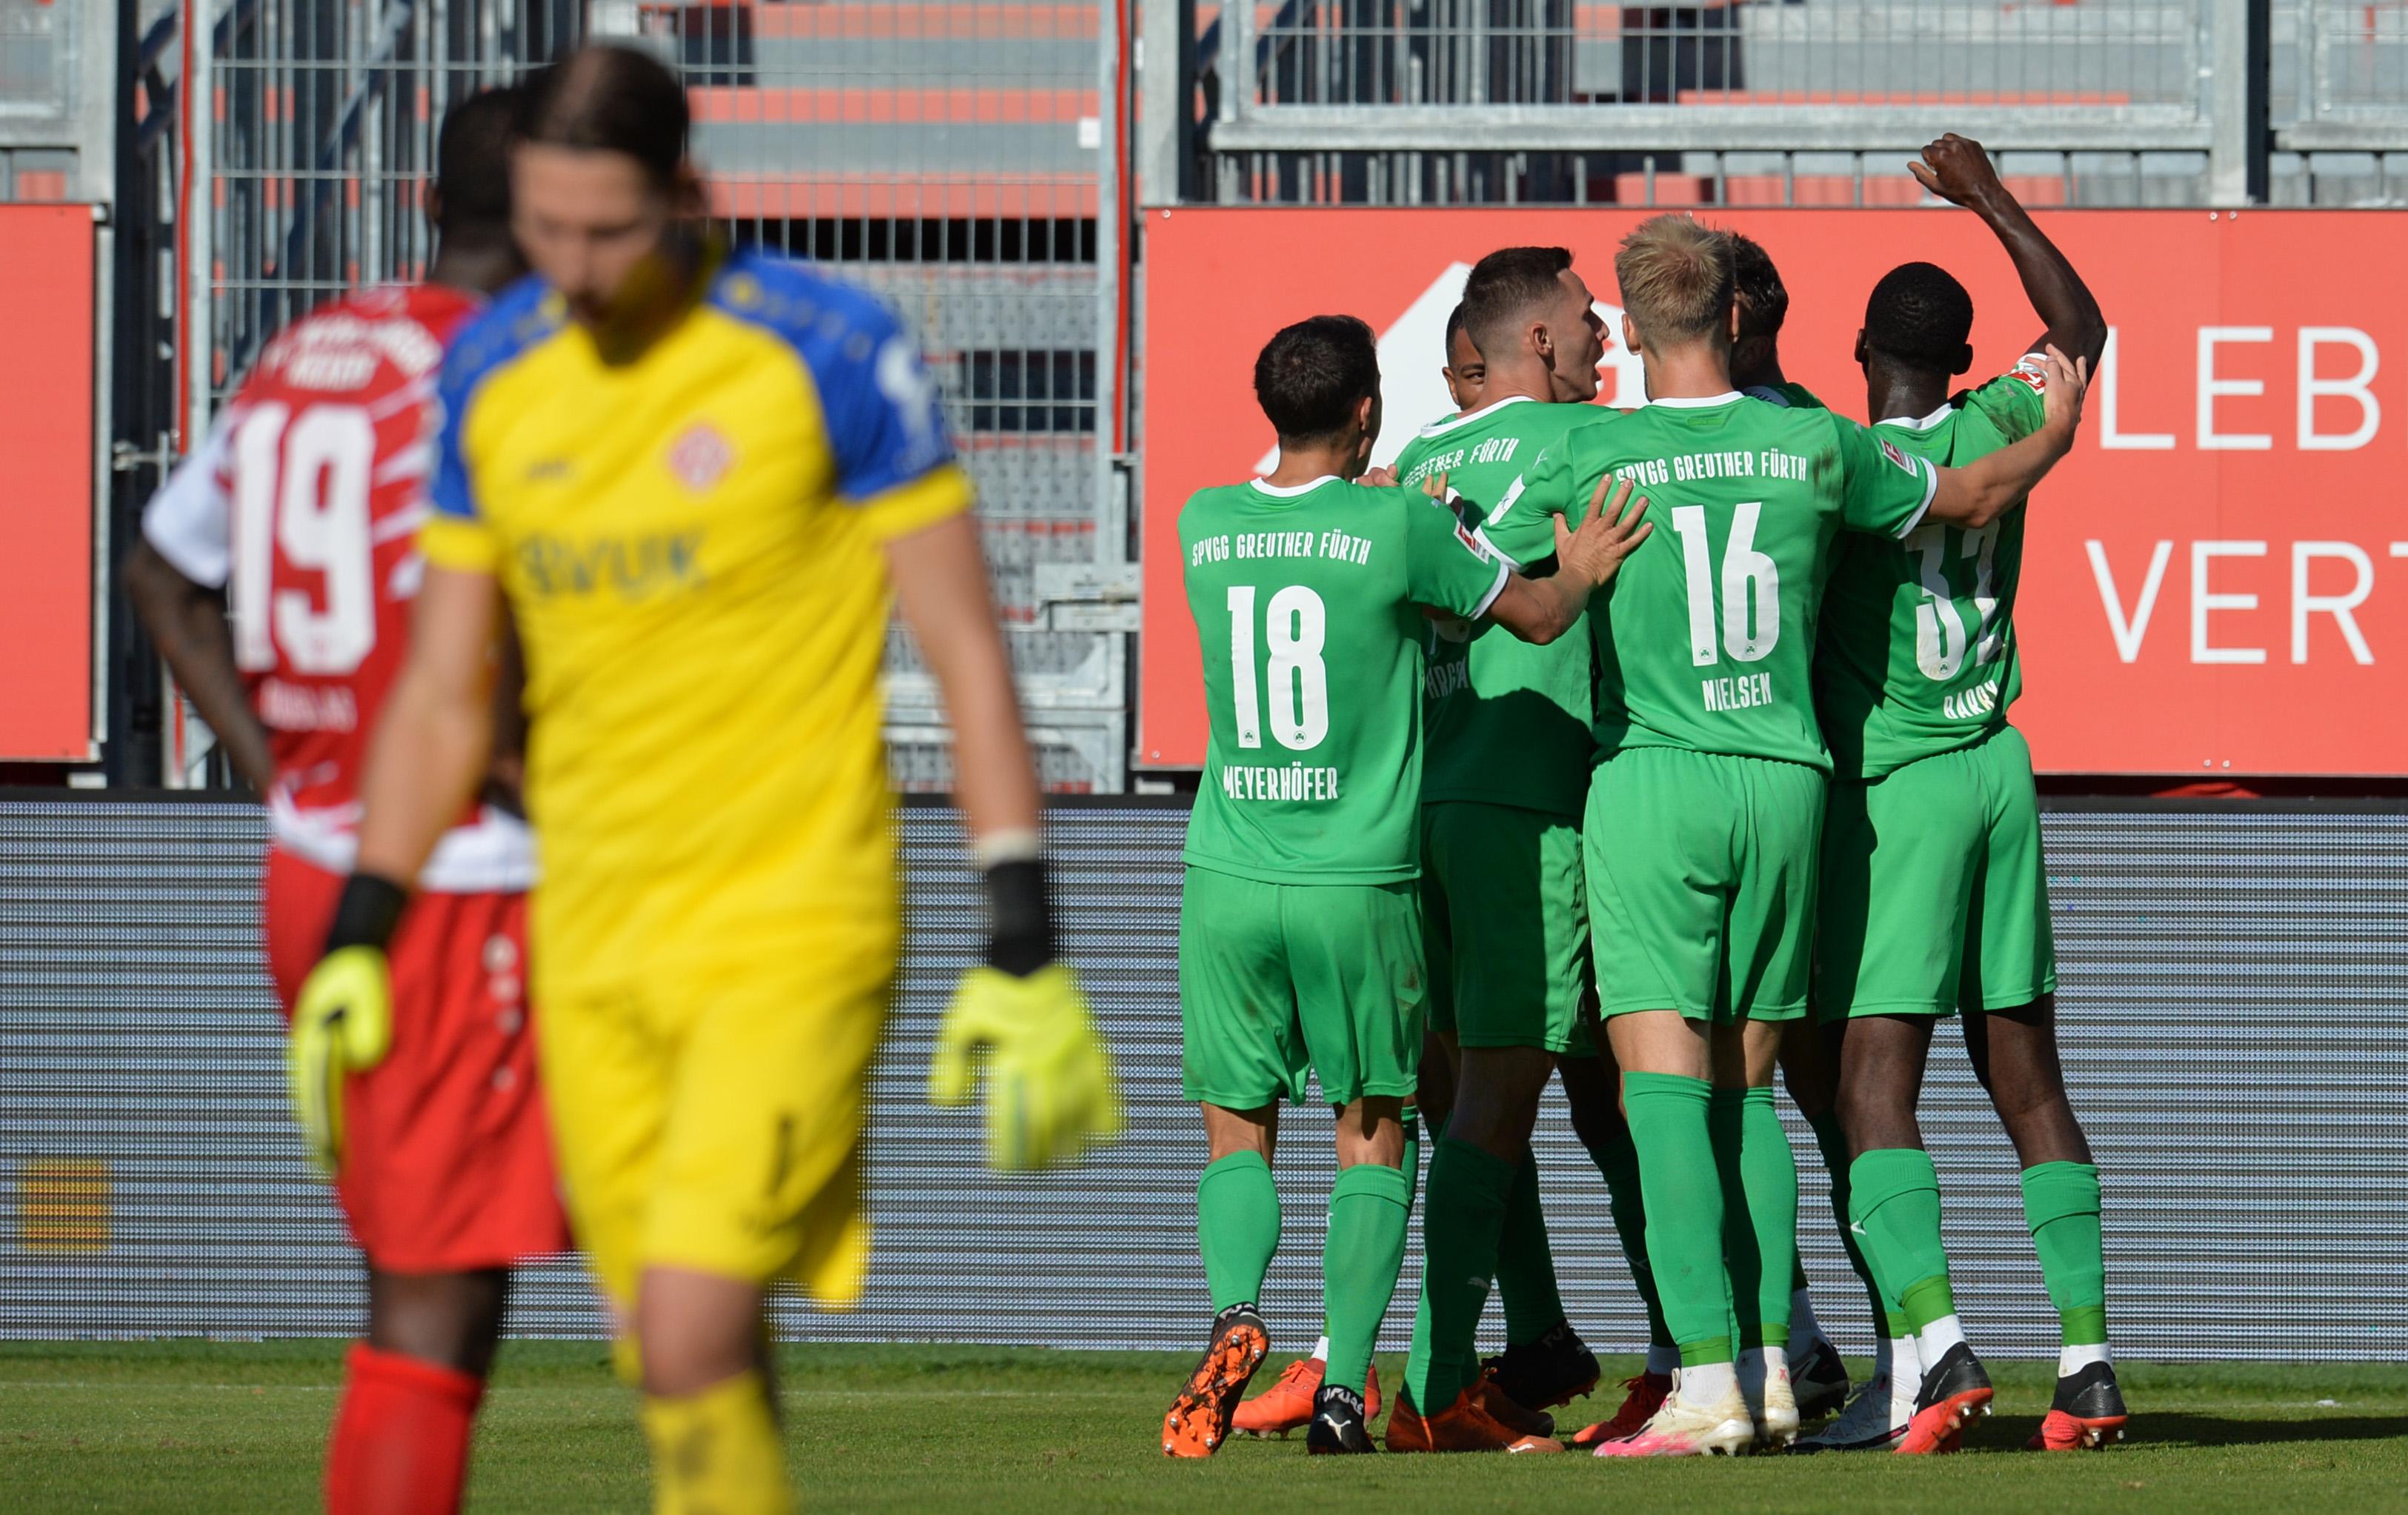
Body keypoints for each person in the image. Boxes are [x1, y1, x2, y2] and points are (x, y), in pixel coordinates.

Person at [285, 45, 1120, 1515]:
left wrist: (1023, 930)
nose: (574, 267)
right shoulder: (491, 369)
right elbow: (443, 691)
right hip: (591, 937)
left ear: (686, 194)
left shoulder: (826, 345)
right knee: (678, 1353)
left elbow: (965, 651)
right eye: (545, 228)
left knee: (683, 1326)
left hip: (791, 923)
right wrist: (366, 921)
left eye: (607, 230)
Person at [1494, 213, 2086, 1457]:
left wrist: (1565, 575)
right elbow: (1978, 490)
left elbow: (1471, 576)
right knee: (1752, 1087)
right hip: (1791, 784)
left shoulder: (1587, 447)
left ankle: (1707, 1376)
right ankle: (1772, 1368)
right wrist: (2061, 432)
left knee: (1662, 1090)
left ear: (1634, 324)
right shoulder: (1816, 442)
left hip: (1659, 778)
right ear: (1733, 314)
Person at [123, 89, 565, 1515]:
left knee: (423, 1264)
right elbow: (500, 654)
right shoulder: (507, 378)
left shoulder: (307, 352)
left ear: (430, 203)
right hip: (459, 877)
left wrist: (288, 777)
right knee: (443, 1292)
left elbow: (162, 571)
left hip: (320, 863)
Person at [1165, 313, 1648, 1458]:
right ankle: (1344, 1384)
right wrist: (1580, 563)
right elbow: (1535, 616)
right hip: (1357, 881)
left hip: (1226, 873)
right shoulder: (1397, 525)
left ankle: (1236, 1312)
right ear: (1368, 411)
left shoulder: (1203, 522)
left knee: (1237, 1128)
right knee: (1373, 1132)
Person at [1807, 133, 2121, 1456]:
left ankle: (1936, 1347)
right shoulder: (2003, 418)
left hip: (1906, 784)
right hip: (2000, 764)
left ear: (1861, 350)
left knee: (1872, 1080)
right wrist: (1990, 195)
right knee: (2028, 1075)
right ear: (1965, 356)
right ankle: (2088, 1362)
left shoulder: (1842, 466)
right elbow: (2083, 327)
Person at [1387, 245, 1643, 1452]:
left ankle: (1528, 1340)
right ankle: (1439, 1385)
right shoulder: (1581, 441)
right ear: (1538, 341)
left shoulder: (1420, 460)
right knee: (1534, 1096)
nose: (1606, 337)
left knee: (1468, 1094)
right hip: (1529, 805)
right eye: (1588, 319)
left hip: (1429, 801)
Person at [1722, 227, 1868, 1426]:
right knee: (1789, 1087)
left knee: (1764, 1083)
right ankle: (1817, 1338)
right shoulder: (1822, 434)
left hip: (1726, 789)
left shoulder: (1655, 443)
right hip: (1801, 785)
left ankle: (1791, 1342)